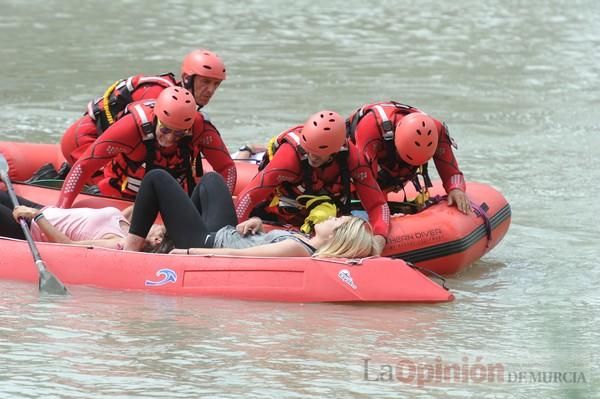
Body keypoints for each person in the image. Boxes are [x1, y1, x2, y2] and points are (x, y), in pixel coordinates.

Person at [123, 169, 379, 258]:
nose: (329, 218)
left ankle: (130, 253)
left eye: (335, 221)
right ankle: (168, 237)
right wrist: (256, 223)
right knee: (211, 181)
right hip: (223, 233)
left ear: (337, 239)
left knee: (157, 178)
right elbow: (261, 244)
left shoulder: (298, 249)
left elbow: (239, 255)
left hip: (206, 243)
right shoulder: (302, 241)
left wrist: (187, 253)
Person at [233, 110, 390, 254]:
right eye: (309, 150)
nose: (312, 157)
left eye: (319, 153)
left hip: (324, 218)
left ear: (335, 152)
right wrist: (233, 234)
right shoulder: (289, 158)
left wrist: (379, 241)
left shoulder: (352, 159)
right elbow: (249, 196)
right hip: (282, 212)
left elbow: (377, 205)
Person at [56, 86, 236, 209]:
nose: (170, 138)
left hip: (172, 200)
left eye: (179, 134)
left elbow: (227, 168)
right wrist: (61, 209)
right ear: (156, 118)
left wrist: (220, 208)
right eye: (165, 130)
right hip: (120, 197)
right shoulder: (130, 127)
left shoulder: (201, 128)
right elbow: (84, 166)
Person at [60, 49, 227, 165]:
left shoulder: (180, 105)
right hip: (84, 141)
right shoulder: (157, 98)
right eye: (205, 81)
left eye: (216, 84)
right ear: (187, 78)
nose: (211, 90)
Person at [347, 101, 471, 214]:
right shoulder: (370, 130)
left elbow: (452, 172)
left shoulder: (437, 130)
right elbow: (363, 180)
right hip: (360, 154)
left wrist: (456, 189)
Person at [0, 190, 165, 251]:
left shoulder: (118, 242)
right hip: (44, 210)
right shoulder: (129, 226)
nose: (159, 223)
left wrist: (36, 216)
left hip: (29, 227)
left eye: (162, 229)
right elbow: (146, 199)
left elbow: (68, 245)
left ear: (157, 239)